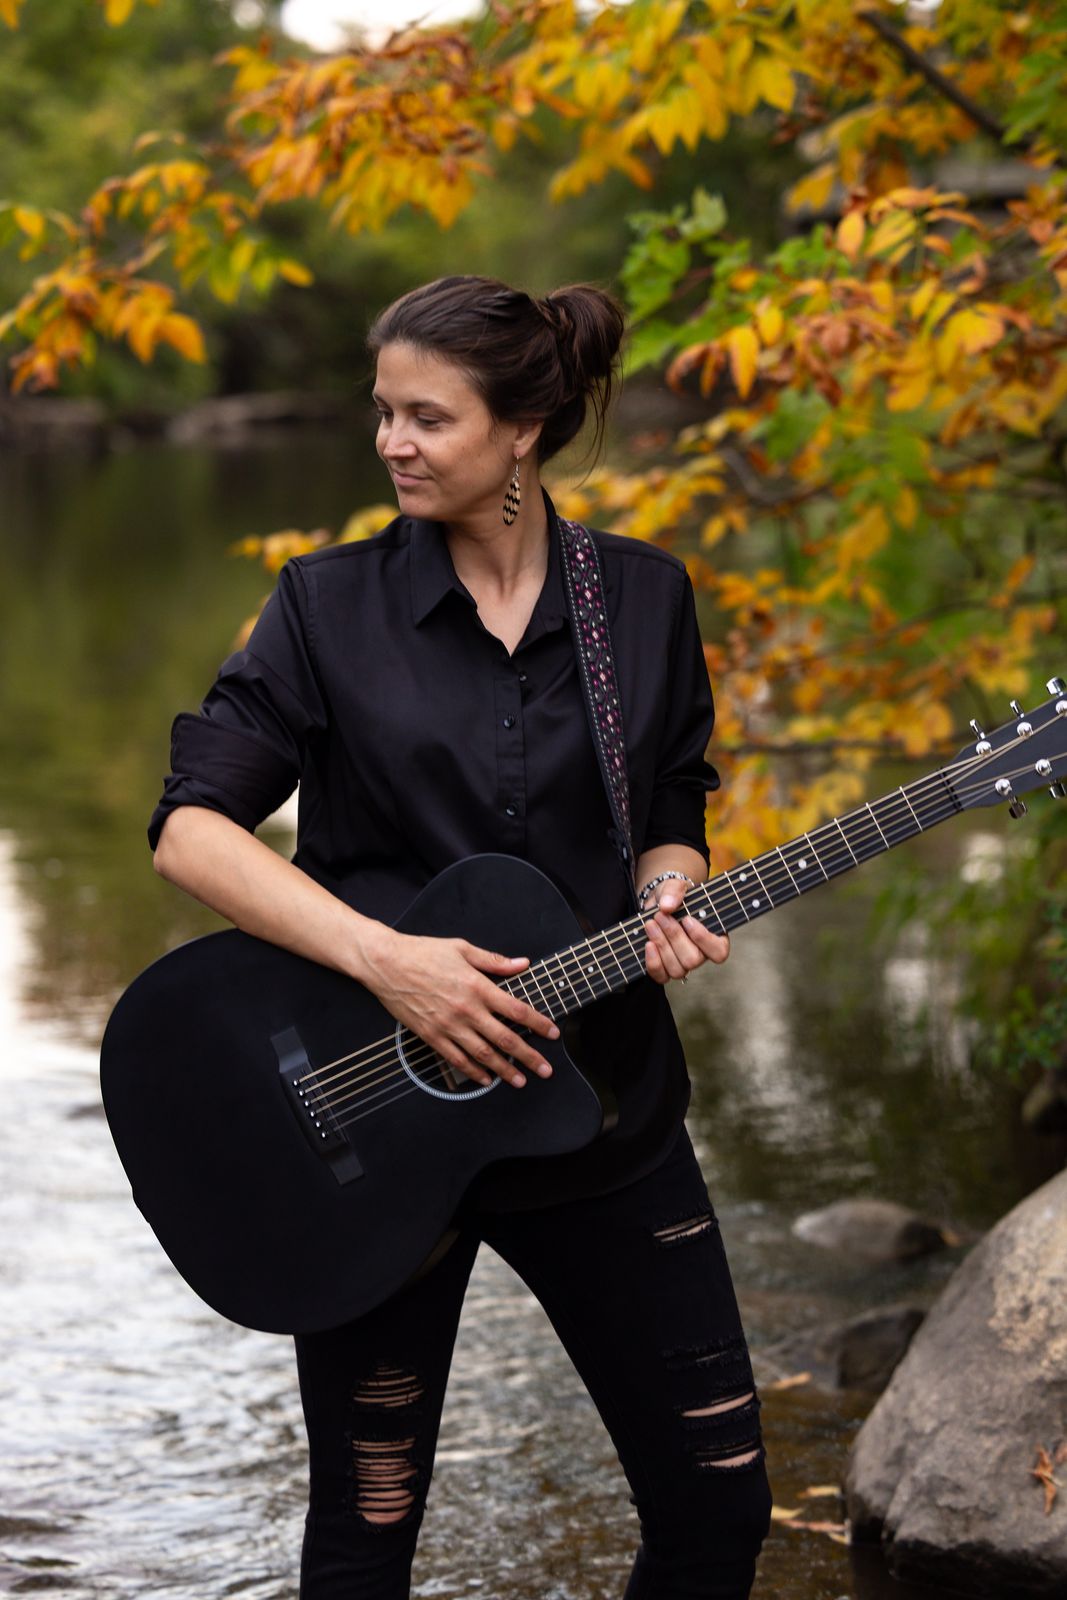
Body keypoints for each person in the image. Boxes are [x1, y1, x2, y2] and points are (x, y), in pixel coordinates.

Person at [148, 275, 772, 1599]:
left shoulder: (643, 600)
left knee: (721, 1508)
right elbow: (192, 832)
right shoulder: (324, 606)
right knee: (368, 1530)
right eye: (384, 412)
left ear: (523, 429)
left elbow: (674, 802)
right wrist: (388, 961)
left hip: (604, 1113)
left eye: (427, 418)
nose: (392, 442)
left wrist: (669, 890)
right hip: (373, 1131)